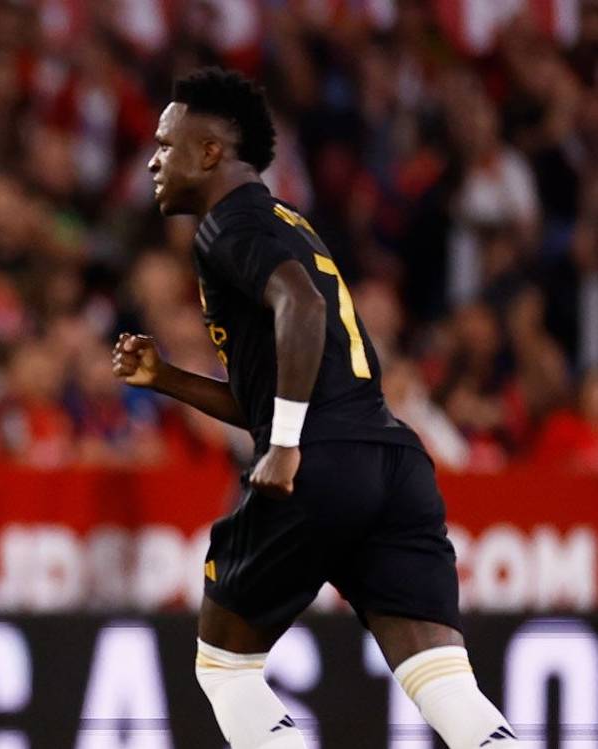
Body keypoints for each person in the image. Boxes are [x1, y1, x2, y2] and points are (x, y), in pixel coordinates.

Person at [118, 67, 520, 749]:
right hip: (390, 457)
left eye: (165, 144)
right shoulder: (289, 223)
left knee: (225, 666)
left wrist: (283, 444)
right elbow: (274, 390)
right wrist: (168, 379)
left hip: (317, 458)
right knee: (443, 678)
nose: (153, 161)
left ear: (210, 151)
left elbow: (299, 306)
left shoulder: (227, 223)